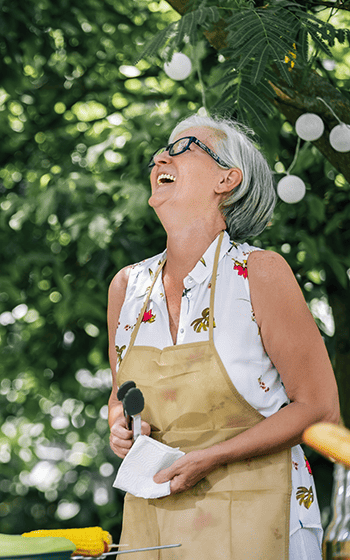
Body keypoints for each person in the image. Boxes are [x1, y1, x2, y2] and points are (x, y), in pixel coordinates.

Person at [107, 114, 340, 560]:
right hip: (157, 518)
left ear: (227, 179)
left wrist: (211, 457)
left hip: (263, 512)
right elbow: (122, 395)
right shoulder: (126, 287)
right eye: (162, 149)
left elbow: (319, 407)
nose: (161, 156)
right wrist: (118, 426)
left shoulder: (260, 273)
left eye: (182, 147)